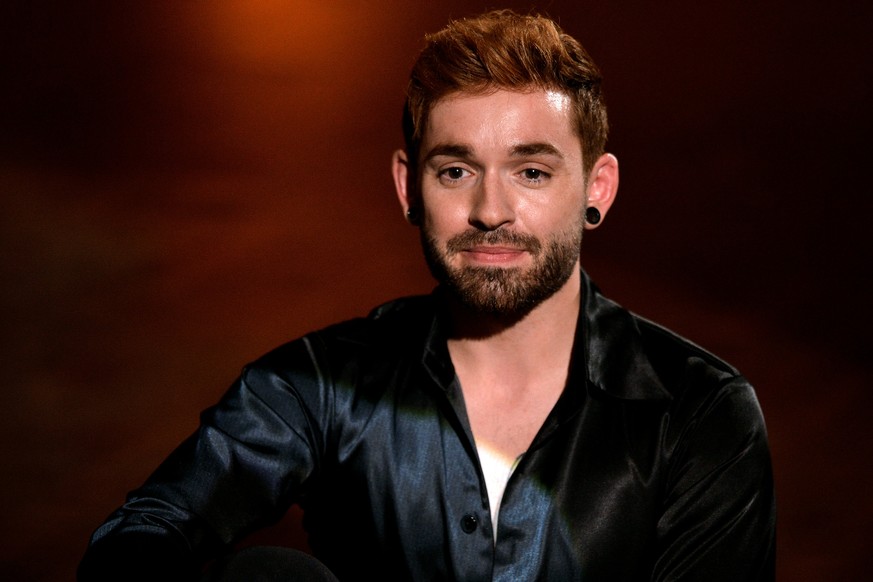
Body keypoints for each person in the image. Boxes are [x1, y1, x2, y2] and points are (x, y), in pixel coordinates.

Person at [78, 9, 776, 581]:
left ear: (596, 189)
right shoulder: (320, 386)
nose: (490, 209)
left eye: (531, 172)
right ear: (408, 186)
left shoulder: (696, 411)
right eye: (454, 171)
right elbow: (144, 532)